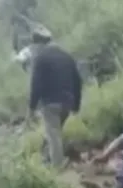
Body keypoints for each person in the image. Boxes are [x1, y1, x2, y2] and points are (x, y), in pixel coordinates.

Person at [28, 29, 82, 167]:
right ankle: (46, 157)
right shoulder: (66, 56)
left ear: (39, 43)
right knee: (54, 132)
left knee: (53, 134)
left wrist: (31, 108)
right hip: (68, 102)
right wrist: (76, 105)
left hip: (50, 103)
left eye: (34, 45)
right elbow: (78, 80)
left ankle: (58, 166)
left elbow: (36, 84)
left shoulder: (40, 58)